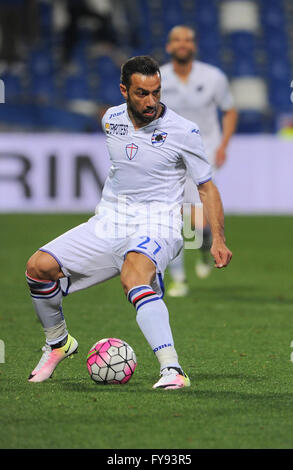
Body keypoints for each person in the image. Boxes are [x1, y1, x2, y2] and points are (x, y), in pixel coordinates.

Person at [25, 56, 232, 389]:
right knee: (38, 267)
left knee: (132, 275)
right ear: (124, 90)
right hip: (108, 221)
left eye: (156, 92)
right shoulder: (111, 119)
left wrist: (218, 239)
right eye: (141, 93)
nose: (150, 101)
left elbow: (206, 187)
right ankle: (58, 343)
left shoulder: (184, 131)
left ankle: (172, 370)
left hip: (158, 224)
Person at [160, 26, 238, 297]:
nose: (183, 44)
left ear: (194, 46)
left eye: (189, 40)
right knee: (173, 217)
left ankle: (204, 245)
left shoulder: (213, 76)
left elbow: (229, 110)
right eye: (178, 40)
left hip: (204, 152)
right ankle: (178, 278)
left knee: (198, 220)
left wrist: (225, 144)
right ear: (169, 47)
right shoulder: (159, 78)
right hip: (169, 154)